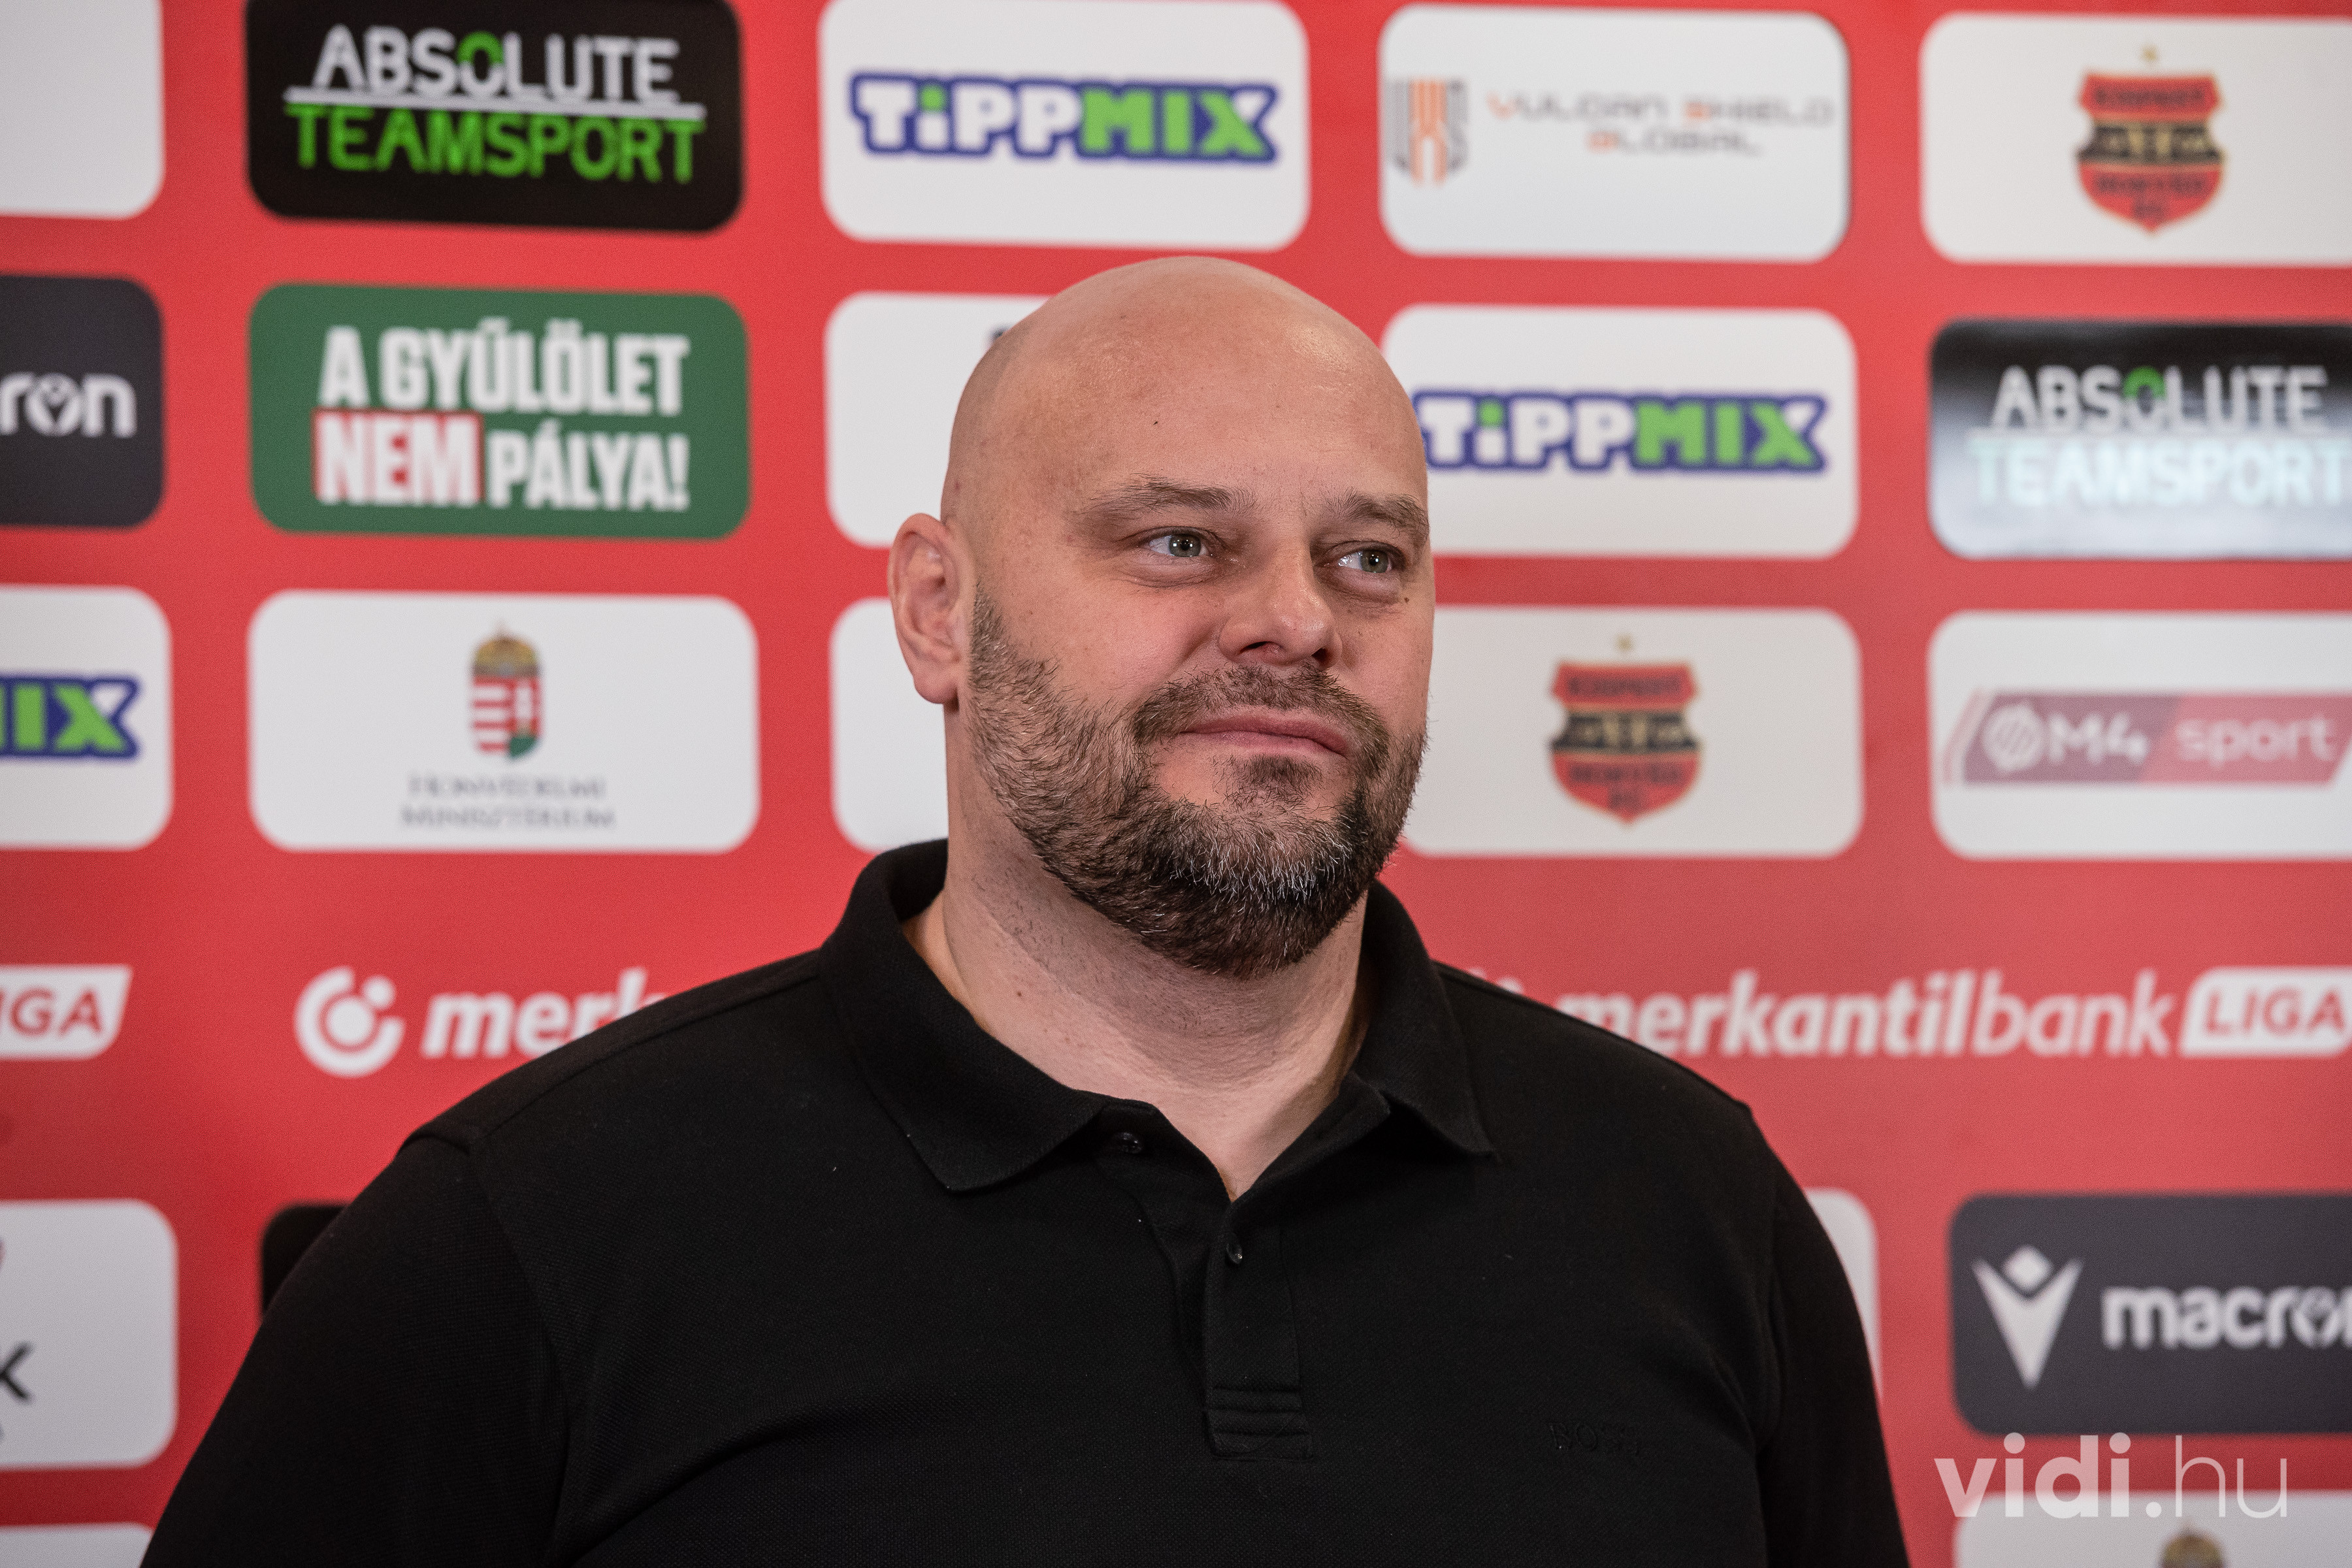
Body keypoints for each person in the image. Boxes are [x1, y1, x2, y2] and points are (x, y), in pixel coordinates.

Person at [146, 259, 1907, 1565]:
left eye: (1368, 557)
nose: (1298, 619)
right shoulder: (527, 1233)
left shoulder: (1696, 1205)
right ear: (939, 611)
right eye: (1179, 541)